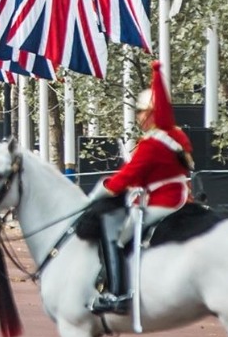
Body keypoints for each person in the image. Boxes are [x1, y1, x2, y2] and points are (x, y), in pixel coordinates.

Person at [71, 52, 192, 316]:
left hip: (163, 201)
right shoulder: (178, 135)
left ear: (150, 113)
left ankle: (118, 294)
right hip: (181, 197)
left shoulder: (152, 143)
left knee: (116, 236)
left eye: (141, 112)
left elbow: (126, 178)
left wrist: (98, 192)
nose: (138, 117)